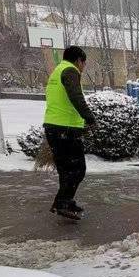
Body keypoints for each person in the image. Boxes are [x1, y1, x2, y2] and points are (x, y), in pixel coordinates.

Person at [43, 45, 97, 220]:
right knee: (77, 168)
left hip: (55, 127)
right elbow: (76, 96)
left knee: (66, 169)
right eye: (84, 63)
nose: (83, 67)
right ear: (79, 61)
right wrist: (89, 117)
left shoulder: (57, 71)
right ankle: (62, 202)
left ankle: (65, 201)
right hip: (64, 129)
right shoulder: (70, 71)